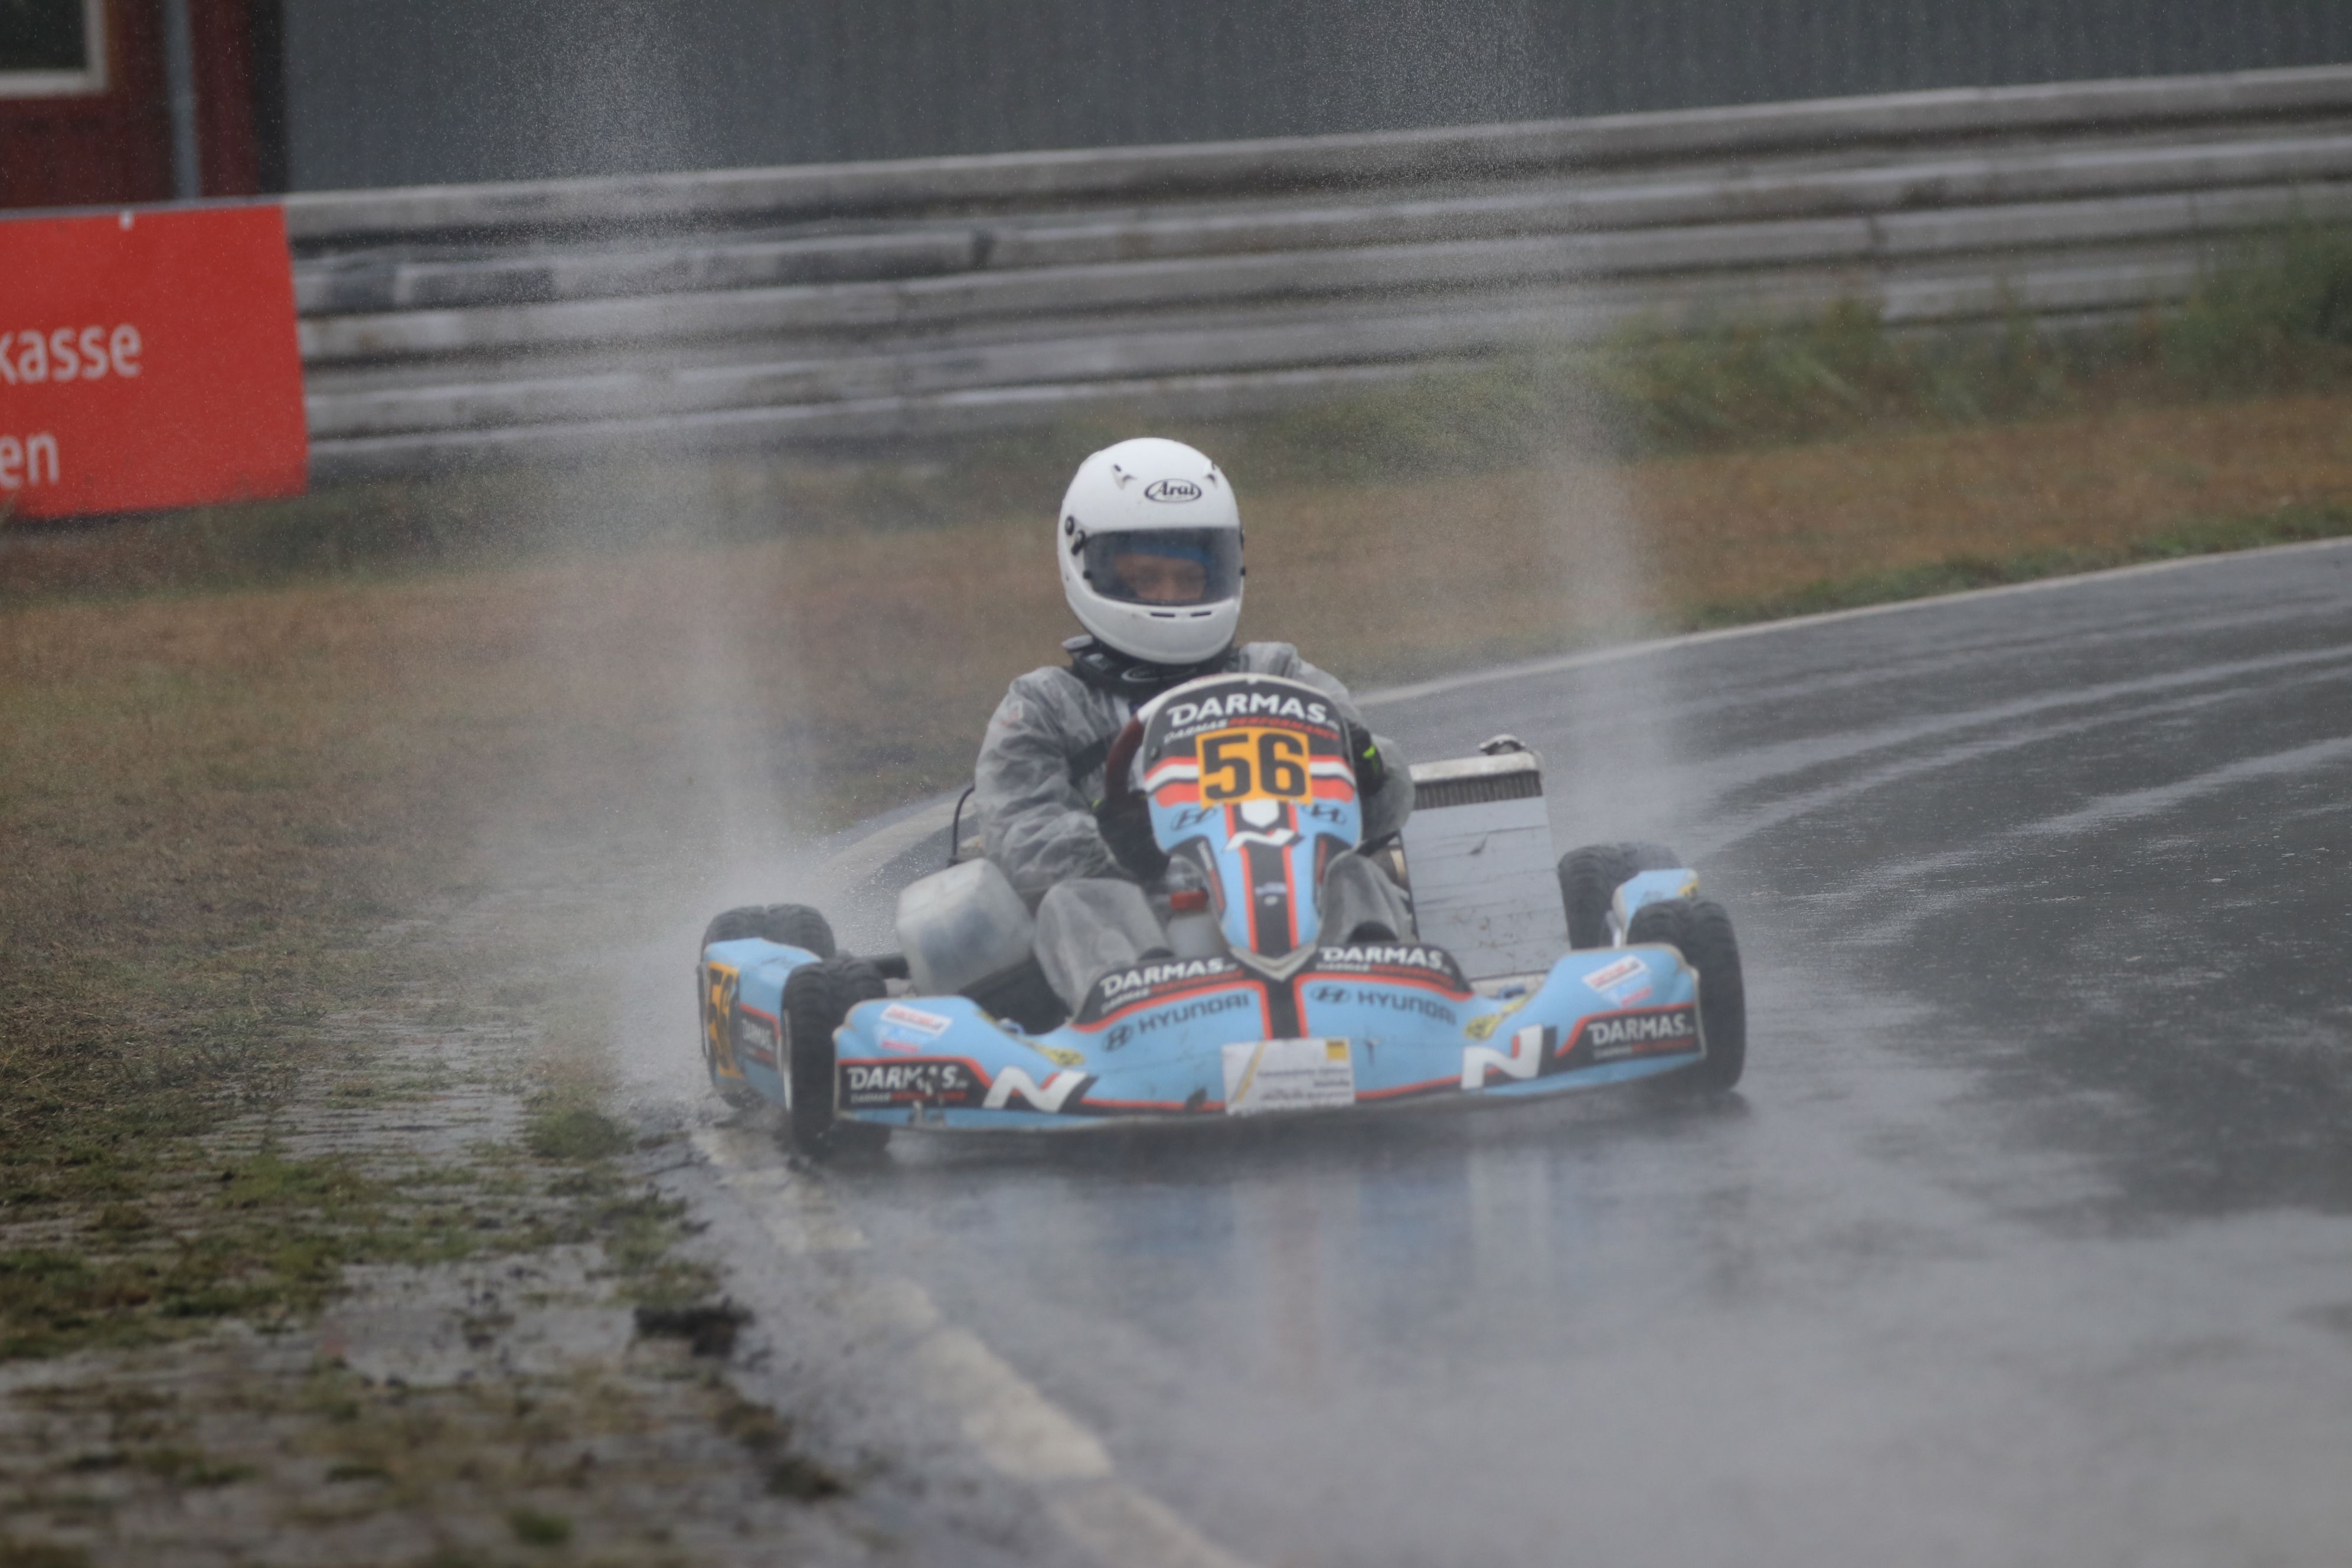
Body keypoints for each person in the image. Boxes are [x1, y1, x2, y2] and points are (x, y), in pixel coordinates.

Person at [974, 436, 1415, 1010]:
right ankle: (1140, 1014)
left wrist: (1367, 766)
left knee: (1353, 874)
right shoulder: (1045, 705)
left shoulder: (1278, 674)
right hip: (1141, 927)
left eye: (1189, 578)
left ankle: (1376, 1000)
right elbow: (1020, 840)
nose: (1170, 595)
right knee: (1074, 902)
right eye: (1145, 578)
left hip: (1285, 904)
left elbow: (1385, 806)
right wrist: (1115, 842)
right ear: (1089, 565)